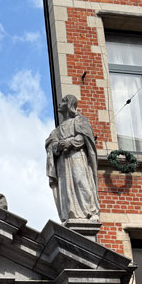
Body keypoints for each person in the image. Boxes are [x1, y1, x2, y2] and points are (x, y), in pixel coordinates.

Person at [45, 94, 100, 225]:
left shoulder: (80, 121)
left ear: (69, 105)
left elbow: (85, 137)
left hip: (77, 157)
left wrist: (70, 142)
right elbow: (49, 143)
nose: (60, 104)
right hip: (63, 161)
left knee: (81, 181)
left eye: (63, 101)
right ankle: (70, 212)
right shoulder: (56, 131)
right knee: (66, 187)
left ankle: (89, 211)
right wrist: (57, 146)